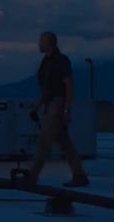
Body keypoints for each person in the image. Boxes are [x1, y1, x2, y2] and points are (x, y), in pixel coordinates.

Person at [26, 31, 89, 187]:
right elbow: (47, 89)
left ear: (49, 42)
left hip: (57, 104)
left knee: (44, 141)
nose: (38, 43)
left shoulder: (61, 60)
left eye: (41, 40)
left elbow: (68, 85)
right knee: (65, 143)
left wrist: (67, 110)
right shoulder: (46, 61)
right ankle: (79, 175)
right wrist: (39, 104)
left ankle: (32, 177)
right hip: (50, 103)